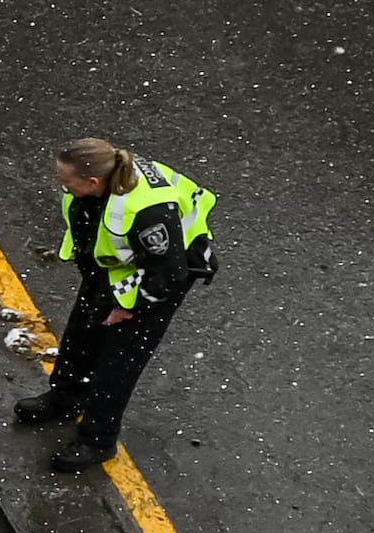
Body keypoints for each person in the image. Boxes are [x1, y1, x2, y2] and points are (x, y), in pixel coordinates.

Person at [11, 136, 219, 474]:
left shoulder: (148, 212)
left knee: (118, 363)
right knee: (81, 336)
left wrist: (131, 309)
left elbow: (168, 271)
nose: (61, 185)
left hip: (157, 279)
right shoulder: (102, 184)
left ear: (92, 182)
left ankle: (98, 439)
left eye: (66, 180)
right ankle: (66, 398)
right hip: (113, 269)